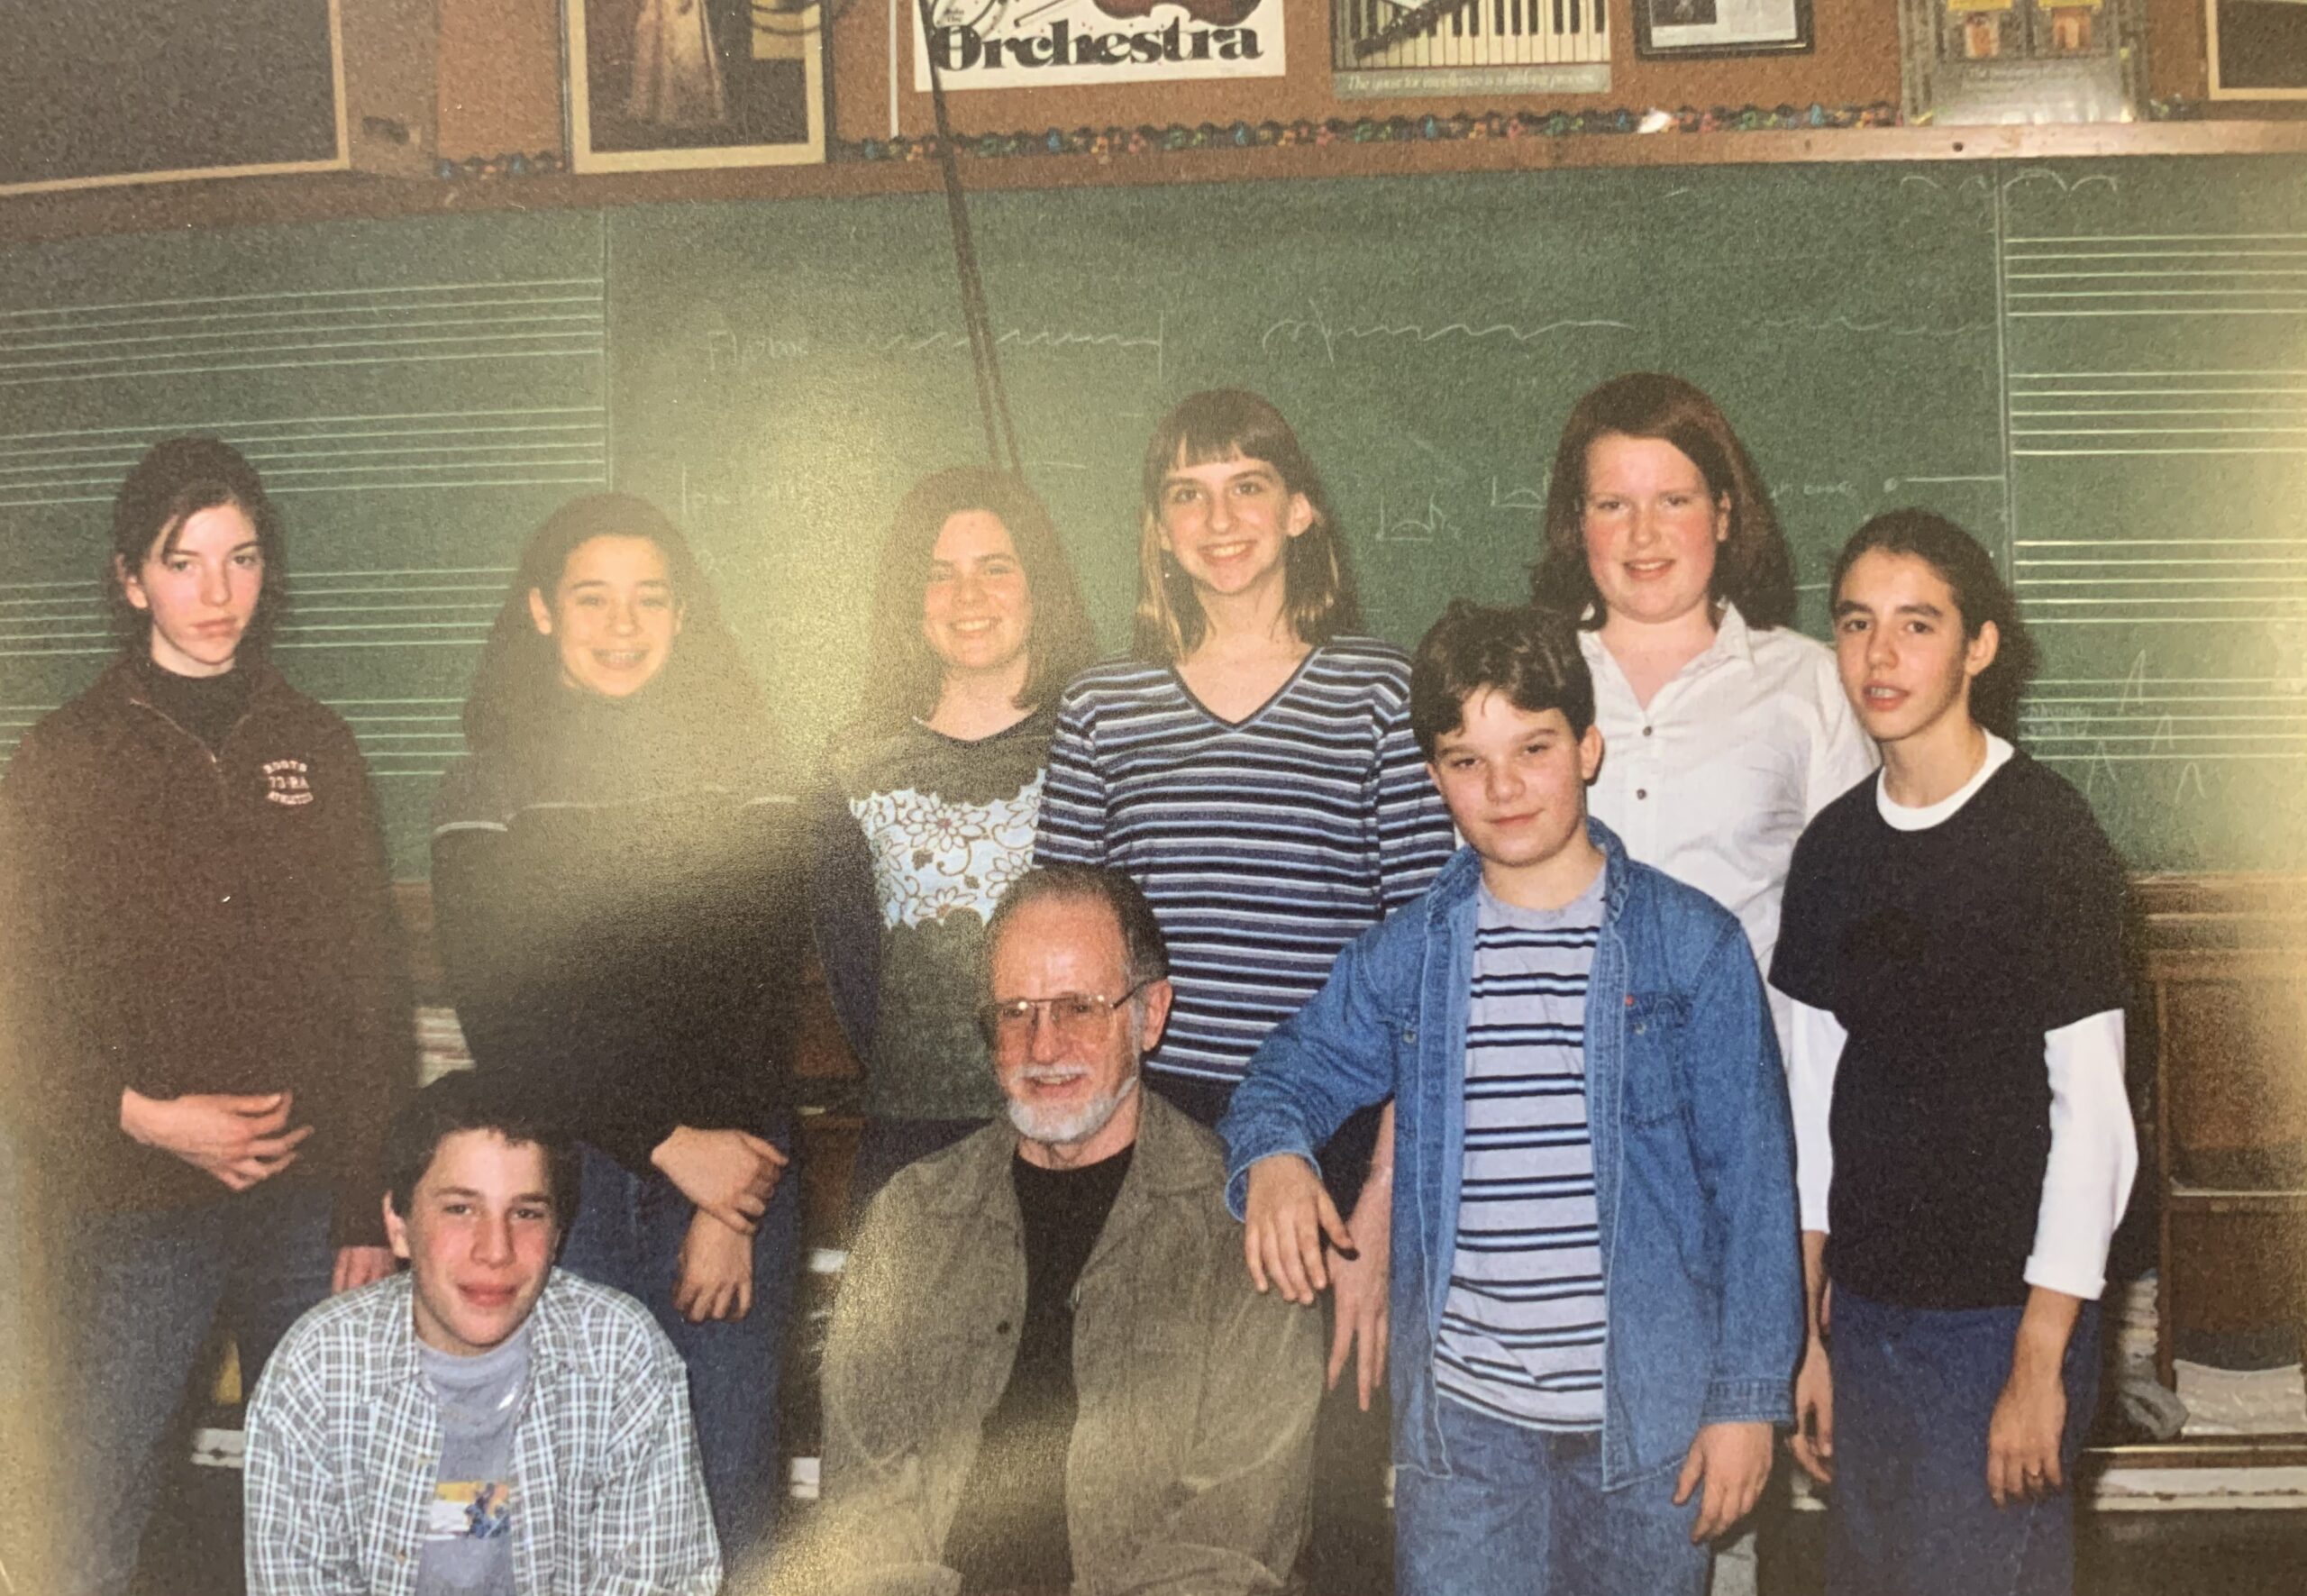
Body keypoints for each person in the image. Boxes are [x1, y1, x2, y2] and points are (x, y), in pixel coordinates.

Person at [1221, 599, 1802, 1596]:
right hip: (1466, 1438)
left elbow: (1755, 1191)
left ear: (1588, 746)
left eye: (1531, 747)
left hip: (1649, 1428)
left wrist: (1745, 1402)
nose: (1502, 786)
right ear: (1433, 774)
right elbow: (1286, 1071)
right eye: (1464, 759)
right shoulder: (1413, 952)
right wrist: (1273, 1154)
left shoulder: (1691, 948)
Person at [1033, 388, 1454, 1587]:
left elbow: (1426, 964)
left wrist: (1384, 1200)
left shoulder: (1380, 691)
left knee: (1325, 1480)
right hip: (1153, 1133)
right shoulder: (1103, 709)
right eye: (1188, 493)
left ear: (1302, 508)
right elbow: (1066, 963)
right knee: (1148, 1482)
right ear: (1159, 531)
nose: (1220, 517)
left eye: (1249, 484)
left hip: (1335, 1138)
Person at [0, 436, 412, 1596]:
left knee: (325, 1520)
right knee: (86, 1522)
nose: (219, 593)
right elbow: (16, 1007)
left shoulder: (317, 745)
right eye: (186, 563)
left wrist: (365, 1200)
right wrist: (148, 1118)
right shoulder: (63, 757)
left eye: (241, 558)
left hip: (306, 1204)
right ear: (131, 578)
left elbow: (369, 994)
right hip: (134, 1204)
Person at [1528, 372, 1875, 1591]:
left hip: (1732, 1171)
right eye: (1611, 503)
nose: (1642, 534)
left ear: (1727, 512)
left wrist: (1812, 1231)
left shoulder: (1811, 684)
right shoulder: (1533, 684)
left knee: (1700, 1522)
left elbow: (1840, 992)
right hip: (1546, 1166)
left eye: (1673, 497)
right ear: (1574, 523)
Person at [429, 493, 806, 1571]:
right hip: (570, 1189)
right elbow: (509, 1020)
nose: (623, 622)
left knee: (727, 1494)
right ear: (542, 612)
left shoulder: (755, 771)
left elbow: (753, 992)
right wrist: (670, 1149)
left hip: (737, 1175)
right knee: (549, 1494)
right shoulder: (486, 784)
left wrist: (727, 1200)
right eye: (592, 596)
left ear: (684, 614)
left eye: (649, 596)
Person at [1771, 511, 2137, 1596]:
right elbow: (1809, 1104)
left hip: (2000, 1324)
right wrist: (1807, 1332)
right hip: (1868, 1317)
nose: (1880, 658)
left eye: (1916, 625)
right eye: (1856, 624)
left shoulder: (2048, 837)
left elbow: (2094, 1129)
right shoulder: (1833, 847)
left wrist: (2035, 1365)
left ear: (1977, 646)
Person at [800, 864, 1323, 1596]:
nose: (1043, 1047)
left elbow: (1235, 1540)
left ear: (1150, 1013)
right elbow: (865, 1507)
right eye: (1015, 1010)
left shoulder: (1242, 1227)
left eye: (1078, 1007)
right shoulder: (911, 1217)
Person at [243, 1072, 721, 1596]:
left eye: (526, 1212)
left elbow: (659, 1580)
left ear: (559, 1236)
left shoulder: (622, 1355)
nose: (496, 1250)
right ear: (398, 1226)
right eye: (460, 1209)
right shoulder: (317, 1368)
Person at [813, 467, 1097, 1209]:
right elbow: (852, 969)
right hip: (914, 1143)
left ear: (1040, 584)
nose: (968, 598)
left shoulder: (1101, 737)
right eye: (941, 575)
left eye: (995, 568)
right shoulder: (854, 760)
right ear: (910, 599)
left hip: (1077, 1133)